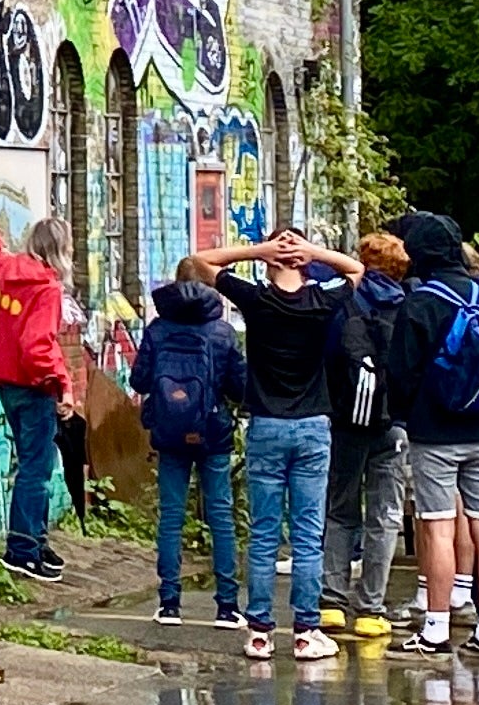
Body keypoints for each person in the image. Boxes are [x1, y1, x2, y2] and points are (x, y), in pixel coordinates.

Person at [193, 225, 361, 661]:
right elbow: (356, 270)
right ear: (304, 263)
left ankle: (260, 632)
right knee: (308, 534)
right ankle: (305, 631)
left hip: (266, 425)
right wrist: (312, 251)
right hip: (312, 426)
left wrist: (261, 250)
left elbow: (201, 262)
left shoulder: (256, 299)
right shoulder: (321, 300)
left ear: (269, 263)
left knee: (264, 532)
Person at [383, 212, 479, 654]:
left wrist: (405, 413)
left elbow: (401, 372)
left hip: (435, 431)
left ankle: (436, 630)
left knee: (438, 529)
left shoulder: (421, 301)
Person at [132, 257, 247, 624]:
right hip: (212, 431)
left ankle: (169, 604)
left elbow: (139, 381)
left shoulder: (158, 329)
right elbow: (239, 387)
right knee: (220, 517)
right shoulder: (222, 332)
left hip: (169, 433)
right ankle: (227, 607)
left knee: (171, 517)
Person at [321, 230, 413, 639]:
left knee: (340, 509)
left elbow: (327, 356)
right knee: (385, 516)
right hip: (393, 424)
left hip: (346, 422)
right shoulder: (409, 306)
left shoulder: (344, 302)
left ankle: (332, 602)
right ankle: (371, 608)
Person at [0, 216, 79, 580]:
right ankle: (22, 549)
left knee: (32, 464)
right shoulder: (48, 288)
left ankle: (36, 540)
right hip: (35, 388)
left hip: (9, 385)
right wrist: (61, 385)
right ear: (60, 250)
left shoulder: (9, 271)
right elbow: (38, 346)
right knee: (37, 469)